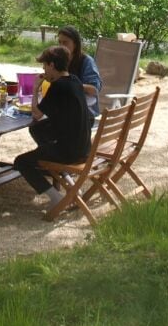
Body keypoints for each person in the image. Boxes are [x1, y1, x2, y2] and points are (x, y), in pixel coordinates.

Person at [14, 45, 95, 211]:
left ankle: (56, 198)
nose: (43, 69)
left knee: (21, 162)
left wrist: (36, 88)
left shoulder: (58, 87)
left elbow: (36, 114)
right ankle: (73, 186)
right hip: (84, 147)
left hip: (68, 151)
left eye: (44, 66)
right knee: (37, 130)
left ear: (51, 65)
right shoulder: (74, 80)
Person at [58, 26, 103, 115]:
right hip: (64, 108)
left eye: (65, 42)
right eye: (60, 42)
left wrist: (71, 85)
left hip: (85, 112)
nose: (61, 46)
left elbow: (94, 90)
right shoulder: (59, 60)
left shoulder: (86, 62)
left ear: (75, 44)